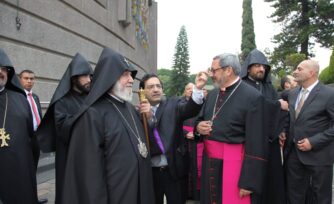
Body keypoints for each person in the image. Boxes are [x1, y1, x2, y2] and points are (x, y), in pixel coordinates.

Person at [61, 47, 155, 204]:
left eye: (131, 75)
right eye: (125, 74)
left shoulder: (130, 109)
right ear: (110, 77)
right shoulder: (92, 114)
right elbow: (89, 175)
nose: (132, 79)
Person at [195, 53, 268, 204]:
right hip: (210, 163)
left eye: (214, 70)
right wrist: (198, 127)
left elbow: (257, 142)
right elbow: (200, 120)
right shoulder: (212, 94)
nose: (211, 74)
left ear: (228, 70)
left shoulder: (253, 97)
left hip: (235, 166)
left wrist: (249, 181)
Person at [139, 72, 207, 204]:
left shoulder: (174, 104)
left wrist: (197, 89)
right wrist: (146, 118)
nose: (156, 89)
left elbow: (190, 109)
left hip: (175, 170)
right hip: (150, 173)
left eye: (158, 86)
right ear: (142, 91)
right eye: (151, 86)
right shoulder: (137, 112)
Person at [36, 53, 93, 204]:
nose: (89, 80)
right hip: (69, 156)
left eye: (90, 76)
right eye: (85, 76)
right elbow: (62, 128)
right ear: (74, 78)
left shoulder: (90, 98)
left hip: (90, 155)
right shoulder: (62, 101)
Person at [240, 49, 287, 204]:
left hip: (270, 142)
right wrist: (277, 104)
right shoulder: (242, 87)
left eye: (264, 66)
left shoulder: (269, 88)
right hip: (250, 143)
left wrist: (281, 130)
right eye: (257, 66)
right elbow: (253, 105)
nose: (261, 69)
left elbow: (281, 113)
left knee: (272, 180)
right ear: (248, 68)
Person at [284, 59, 334, 204]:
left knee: (320, 197)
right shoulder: (292, 94)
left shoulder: (329, 94)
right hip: (294, 154)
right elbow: (292, 119)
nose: (295, 71)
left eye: (299, 69)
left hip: (320, 155)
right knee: (294, 195)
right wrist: (283, 131)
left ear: (311, 72)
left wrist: (313, 142)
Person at [0, 48, 38, 203]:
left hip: (17, 166)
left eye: (3, 69)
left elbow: (30, 134)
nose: (0, 72)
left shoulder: (19, 98)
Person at [19, 70, 42, 167]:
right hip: (24, 137)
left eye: (31, 79)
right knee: (25, 166)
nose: (29, 81)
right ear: (20, 80)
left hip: (36, 137)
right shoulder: (18, 97)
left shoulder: (35, 97)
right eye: (26, 78)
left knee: (35, 163)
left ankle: (33, 182)